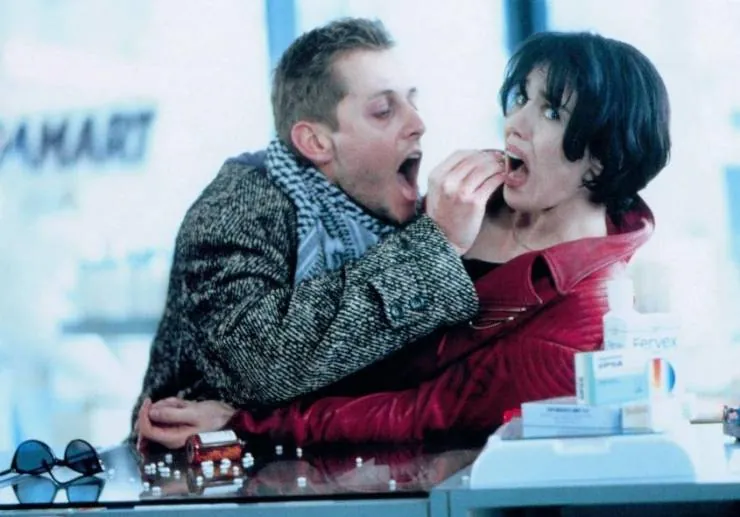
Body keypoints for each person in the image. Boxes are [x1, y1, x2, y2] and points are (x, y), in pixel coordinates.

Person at [136, 29, 671, 448]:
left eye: (551, 112)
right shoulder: (259, 197)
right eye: (521, 98)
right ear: (315, 141)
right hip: (202, 459)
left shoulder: (582, 315)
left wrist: (247, 424)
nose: (513, 124)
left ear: (602, 159)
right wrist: (436, 239)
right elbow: (262, 360)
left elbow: (426, 411)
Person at [130, 17, 505, 438]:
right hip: (201, 470)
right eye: (384, 110)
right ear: (316, 142)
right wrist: (436, 248)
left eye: (412, 101)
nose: (418, 123)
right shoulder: (237, 206)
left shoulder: (401, 217)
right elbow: (259, 366)